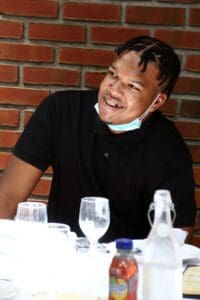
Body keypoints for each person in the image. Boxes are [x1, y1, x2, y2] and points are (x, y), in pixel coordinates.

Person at [0, 35, 196, 242]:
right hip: (59, 258)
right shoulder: (61, 111)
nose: (113, 91)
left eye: (132, 87)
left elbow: (178, 231)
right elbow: (8, 196)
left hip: (127, 265)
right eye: (113, 75)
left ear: (157, 102)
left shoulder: (167, 147)